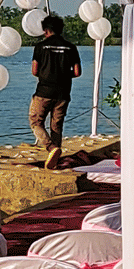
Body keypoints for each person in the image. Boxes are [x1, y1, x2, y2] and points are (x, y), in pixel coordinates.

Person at [30, 13, 81, 169]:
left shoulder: (40, 47)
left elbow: (34, 70)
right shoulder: (71, 47)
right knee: (56, 126)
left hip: (44, 91)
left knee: (35, 121)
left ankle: (51, 148)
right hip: (63, 93)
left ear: (45, 30)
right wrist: (64, 75)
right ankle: (55, 160)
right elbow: (77, 72)